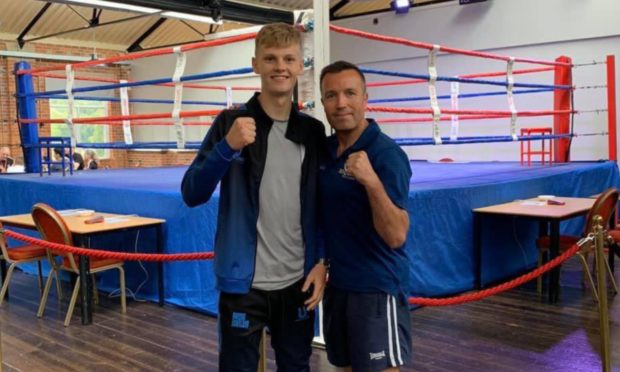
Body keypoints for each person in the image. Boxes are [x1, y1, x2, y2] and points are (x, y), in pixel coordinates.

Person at [181, 23, 327, 371]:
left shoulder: (312, 131)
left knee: (296, 366)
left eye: (288, 59)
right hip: (244, 286)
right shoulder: (231, 122)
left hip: (298, 282)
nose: (280, 66)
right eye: (271, 58)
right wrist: (227, 147)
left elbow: (321, 205)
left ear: (300, 65)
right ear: (255, 64)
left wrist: (322, 262)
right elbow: (191, 193)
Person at [319, 60, 413, 372]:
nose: (341, 103)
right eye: (331, 95)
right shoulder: (326, 151)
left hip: (375, 287)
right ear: (322, 102)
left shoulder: (386, 154)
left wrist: (371, 181)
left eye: (350, 93)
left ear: (365, 98)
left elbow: (397, 235)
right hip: (339, 285)